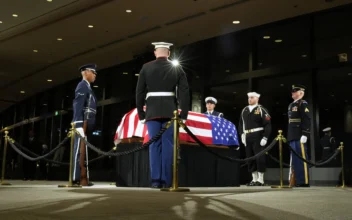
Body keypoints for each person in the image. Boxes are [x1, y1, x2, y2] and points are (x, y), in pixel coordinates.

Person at [136, 42, 189, 188]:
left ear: (155, 52)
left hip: (152, 111)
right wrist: (183, 114)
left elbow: (139, 92)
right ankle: (167, 181)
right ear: (169, 53)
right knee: (168, 145)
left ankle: (155, 180)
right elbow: (184, 91)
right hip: (170, 111)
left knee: (154, 145)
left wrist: (141, 114)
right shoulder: (177, 68)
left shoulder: (146, 67)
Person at [72, 64, 97, 186]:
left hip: (87, 123)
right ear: (86, 72)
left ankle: (84, 177)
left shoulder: (87, 87)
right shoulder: (82, 86)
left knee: (84, 151)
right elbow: (78, 105)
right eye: (93, 72)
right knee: (78, 150)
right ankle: (75, 177)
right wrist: (78, 124)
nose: (95, 75)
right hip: (82, 123)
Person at [239, 92, 271, 186]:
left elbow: (268, 125)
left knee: (259, 157)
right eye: (249, 98)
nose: (250, 99)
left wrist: (265, 137)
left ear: (257, 99)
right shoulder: (244, 110)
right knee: (250, 158)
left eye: (252, 98)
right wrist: (242, 135)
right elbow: (241, 124)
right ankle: (254, 179)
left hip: (258, 135)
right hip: (247, 135)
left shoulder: (261, 109)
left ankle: (261, 180)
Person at [287, 84, 311, 187]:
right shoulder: (291, 105)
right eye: (292, 91)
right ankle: (297, 180)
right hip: (292, 135)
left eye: (295, 91)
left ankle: (304, 181)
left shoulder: (303, 103)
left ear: (301, 93)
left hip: (300, 134)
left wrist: (305, 133)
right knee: (295, 160)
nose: (293, 93)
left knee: (301, 158)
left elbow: (306, 119)